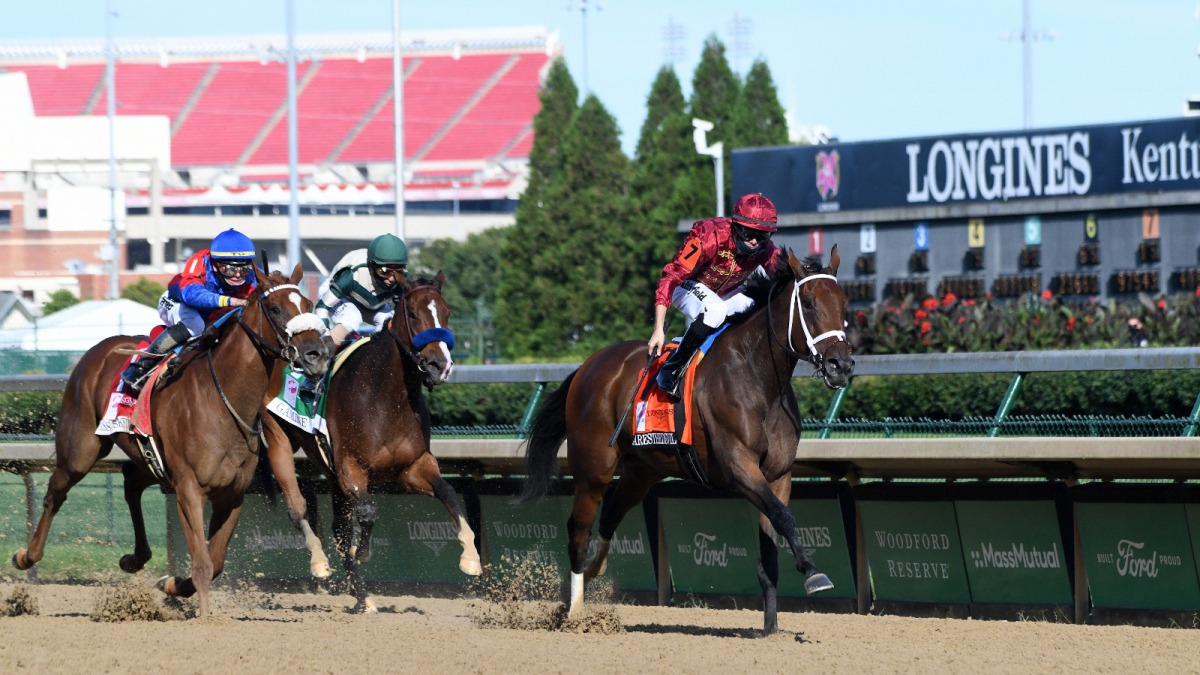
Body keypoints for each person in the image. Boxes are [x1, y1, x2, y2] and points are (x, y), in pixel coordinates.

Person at [648, 193, 784, 400]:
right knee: (716, 310)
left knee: (762, 305)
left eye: (763, 236)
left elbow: (789, 279)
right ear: (737, 226)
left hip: (725, 293)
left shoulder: (765, 249)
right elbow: (670, 276)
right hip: (686, 286)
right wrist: (658, 328)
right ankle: (672, 368)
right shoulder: (708, 235)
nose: (755, 241)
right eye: (749, 234)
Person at [119, 228, 258, 390]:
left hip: (212, 314)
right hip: (178, 303)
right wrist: (231, 300)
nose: (238, 275)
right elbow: (192, 295)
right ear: (214, 265)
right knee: (195, 325)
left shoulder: (250, 274)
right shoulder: (199, 262)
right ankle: (141, 367)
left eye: (243, 269)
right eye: (229, 269)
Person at [314, 233, 409, 351]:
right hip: (342, 296)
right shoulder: (353, 274)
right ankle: (322, 356)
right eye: (384, 271)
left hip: (370, 305)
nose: (391, 279)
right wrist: (325, 335)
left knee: (392, 323)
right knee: (351, 318)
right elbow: (322, 306)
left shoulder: (403, 279)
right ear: (371, 266)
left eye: (397, 272)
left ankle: (374, 355)